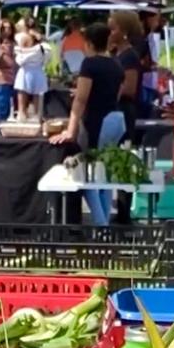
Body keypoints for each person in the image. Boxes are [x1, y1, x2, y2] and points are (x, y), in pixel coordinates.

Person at [49, 21, 124, 226]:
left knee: (87, 174)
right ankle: (104, 221)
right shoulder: (116, 64)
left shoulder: (89, 64)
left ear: (89, 43)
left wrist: (70, 130)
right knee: (105, 174)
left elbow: (81, 100)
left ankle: (101, 224)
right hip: (116, 119)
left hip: (98, 122)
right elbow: (113, 93)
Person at [108, 9, 144, 140]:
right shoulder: (114, 53)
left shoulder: (130, 56)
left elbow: (130, 89)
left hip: (124, 112)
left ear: (124, 32)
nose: (109, 33)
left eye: (112, 29)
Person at [14, 29, 51, 121]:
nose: (25, 44)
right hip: (33, 72)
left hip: (28, 72)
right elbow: (46, 59)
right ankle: (25, 113)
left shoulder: (39, 49)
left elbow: (19, 61)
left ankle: (31, 114)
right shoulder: (41, 49)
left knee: (31, 93)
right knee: (25, 93)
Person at [140, 9, 163, 107]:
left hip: (148, 85)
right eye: (156, 19)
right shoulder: (141, 40)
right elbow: (142, 64)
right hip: (143, 86)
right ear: (148, 19)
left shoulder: (149, 37)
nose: (158, 23)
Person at [0, 19, 17, 121]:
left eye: (9, 28)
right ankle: (0, 124)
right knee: (2, 106)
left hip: (13, 78)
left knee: (11, 107)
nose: (7, 30)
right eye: (4, 28)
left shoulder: (13, 43)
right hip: (2, 79)